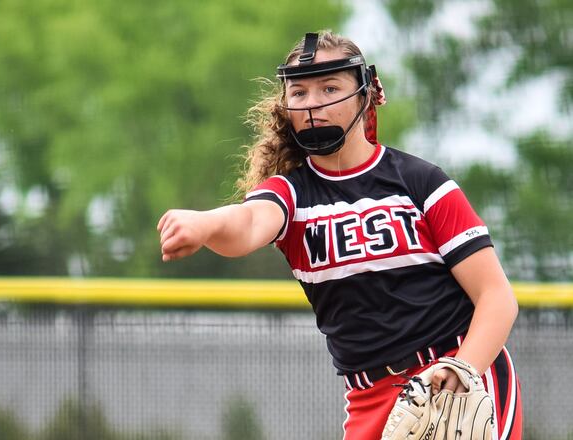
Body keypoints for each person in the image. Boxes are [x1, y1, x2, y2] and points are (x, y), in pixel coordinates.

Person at [157, 30, 522, 439]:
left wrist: (463, 369)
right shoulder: (292, 193)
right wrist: (204, 224)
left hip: (458, 373)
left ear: (366, 94)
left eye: (330, 87)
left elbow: (496, 297)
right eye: (299, 92)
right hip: (368, 398)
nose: (313, 104)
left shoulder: (421, 182)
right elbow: (247, 226)